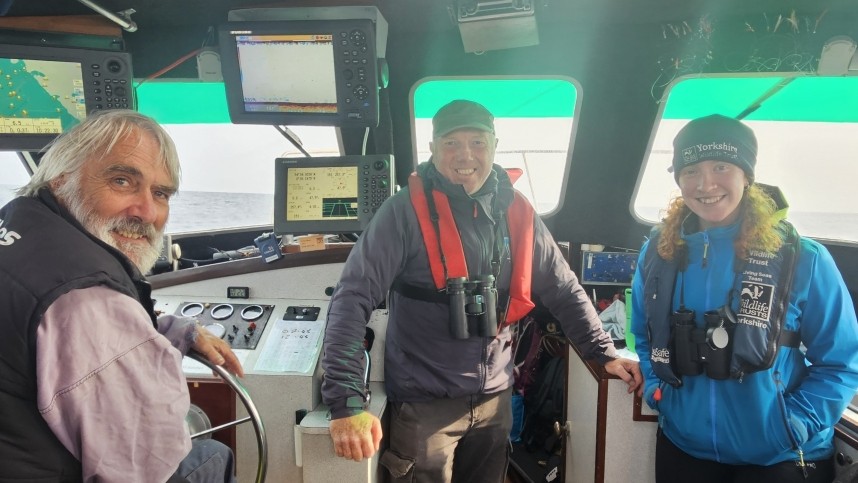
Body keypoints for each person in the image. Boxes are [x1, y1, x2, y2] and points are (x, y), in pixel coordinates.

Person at [320, 99, 642, 482]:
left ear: (494, 145)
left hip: (495, 400)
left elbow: (564, 288)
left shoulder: (519, 211)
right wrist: (345, 403)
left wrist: (602, 353)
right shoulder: (401, 212)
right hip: (425, 402)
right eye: (451, 143)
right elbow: (351, 299)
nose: (465, 155)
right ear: (433, 149)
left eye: (477, 142)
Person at [0, 110, 244, 482]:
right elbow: (146, 463)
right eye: (122, 181)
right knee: (213, 455)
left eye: (160, 193)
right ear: (62, 179)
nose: (146, 211)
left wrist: (175, 331)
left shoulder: (18, 228)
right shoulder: (87, 299)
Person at [630, 114, 858, 483]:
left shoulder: (804, 258)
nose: (705, 184)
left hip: (779, 455)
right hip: (684, 446)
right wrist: (659, 390)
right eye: (690, 170)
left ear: (746, 174)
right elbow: (643, 334)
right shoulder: (659, 253)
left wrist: (795, 424)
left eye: (721, 166)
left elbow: (842, 362)